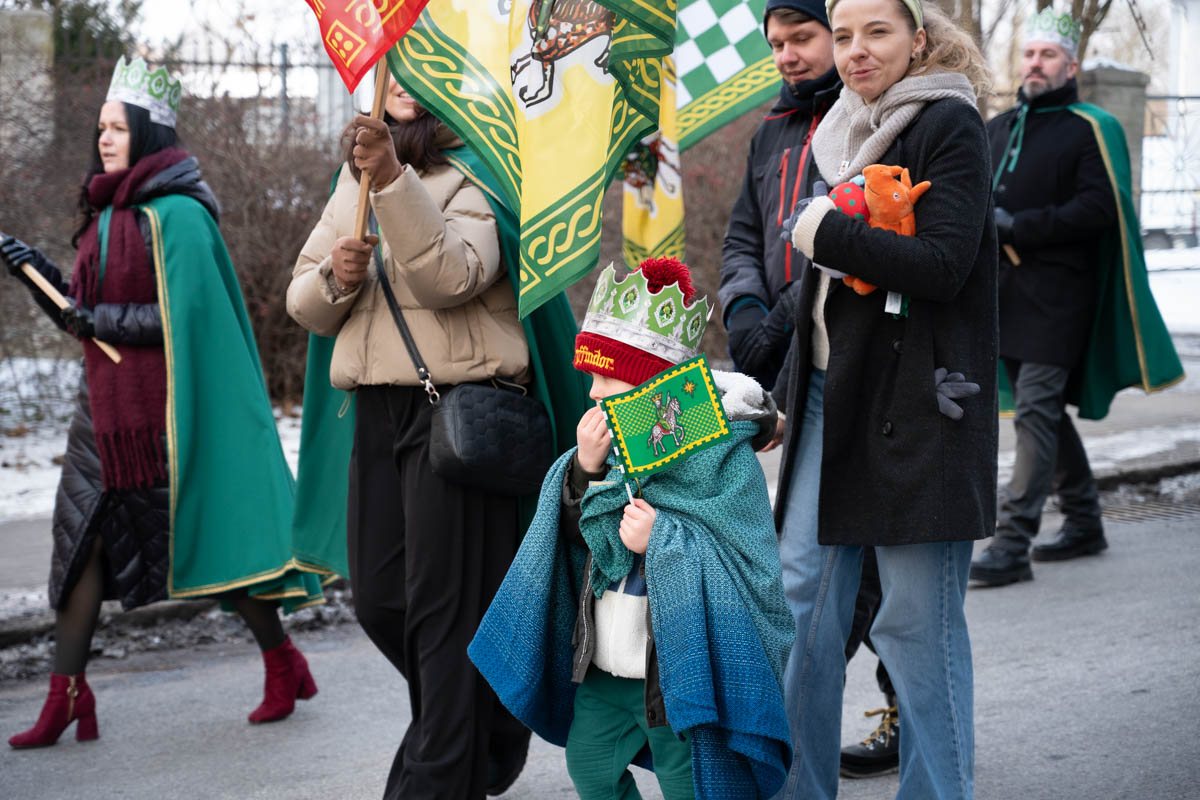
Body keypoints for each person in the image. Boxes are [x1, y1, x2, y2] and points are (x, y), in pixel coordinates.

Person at [1, 57, 325, 750]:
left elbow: (186, 319)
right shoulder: (105, 212)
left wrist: (100, 321)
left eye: (118, 127)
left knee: (212, 545)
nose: (104, 138)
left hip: (169, 418)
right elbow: (84, 313)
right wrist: (35, 274)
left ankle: (282, 660)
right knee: (79, 548)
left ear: (147, 133)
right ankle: (67, 695)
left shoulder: (178, 216)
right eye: (101, 127)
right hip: (102, 416)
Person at [287, 76, 577, 799]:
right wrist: (335, 278)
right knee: (382, 600)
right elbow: (304, 305)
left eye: (419, 67)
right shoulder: (352, 179)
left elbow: (453, 276)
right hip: (377, 414)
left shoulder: (485, 166)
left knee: (443, 615)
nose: (403, 84)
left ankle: (440, 777)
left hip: (460, 416)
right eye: (394, 70)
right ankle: (489, 725)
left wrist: (392, 180)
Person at [468, 257, 797, 799]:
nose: (594, 393)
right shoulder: (608, 448)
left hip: (674, 672)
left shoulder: (721, 458)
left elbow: (750, 564)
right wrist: (584, 470)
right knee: (591, 767)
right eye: (591, 377)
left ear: (652, 385)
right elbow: (569, 541)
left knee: (687, 781)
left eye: (606, 377)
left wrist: (662, 540)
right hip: (603, 662)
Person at [774, 0, 997, 796]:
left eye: (877, 32)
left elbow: (943, 265)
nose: (856, 51)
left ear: (918, 40)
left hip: (920, 405)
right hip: (829, 396)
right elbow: (825, 288)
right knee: (800, 606)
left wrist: (826, 232)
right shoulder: (839, 129)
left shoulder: (949, 123)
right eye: (843, 36)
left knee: (913, 625)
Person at [970, 8, 1184, 586]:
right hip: (1005, 296)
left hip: (1061, 297)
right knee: (1042, 414)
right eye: (1029, 54)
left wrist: (1020, 226)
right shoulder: (998, 127)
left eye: (1048, 55)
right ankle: (1086, 520)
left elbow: (1099, 209)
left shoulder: (1091, 127)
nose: (1035, 64)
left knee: (1036, 412)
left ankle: (1012, 542)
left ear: (1071, 65)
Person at [720, 0, 840, 391]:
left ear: (838, 33)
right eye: (776, 45)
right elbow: (742, 236)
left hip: (841, 350)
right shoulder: (769, 129)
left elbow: (869, 233)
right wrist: (743, 308)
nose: (786, 57)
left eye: (802, 39)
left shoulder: (864, 116)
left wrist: (793, 306)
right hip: (774, 354)